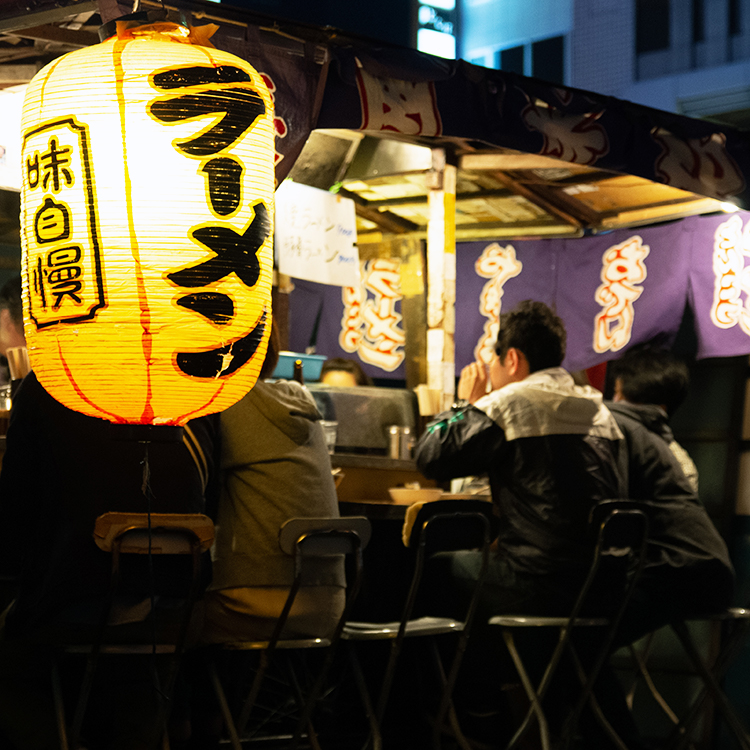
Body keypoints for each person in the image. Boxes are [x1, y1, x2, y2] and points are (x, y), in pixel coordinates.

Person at [414, 299, 631, 747]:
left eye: (493, 360)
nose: (491, 369)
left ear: (512, 359)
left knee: (432, 568)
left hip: (540, 584)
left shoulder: (511, 402)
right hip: (604, 588)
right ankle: (497, 707)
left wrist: (463, 404)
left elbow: (430, 456)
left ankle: (470, 715)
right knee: (479, 581)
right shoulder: (599, 409)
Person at [0, 370, 219, 750]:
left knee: (16, 649)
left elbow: (14, 517)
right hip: (181, 609)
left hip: (75, 601)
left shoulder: (50, 381)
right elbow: (212, 507)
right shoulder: (198, 389)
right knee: (142, 665)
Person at [202, 321, 344, 644]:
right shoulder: (300, 402)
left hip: (249, 605)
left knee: (165, 621)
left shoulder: (223, 402)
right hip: (330, 605)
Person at [607, 344, 734, 643]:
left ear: (623, 394)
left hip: (668, 573)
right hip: (709, 574)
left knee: (571, 638)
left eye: (615, 391)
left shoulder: (622, 435)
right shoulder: (678, 456)